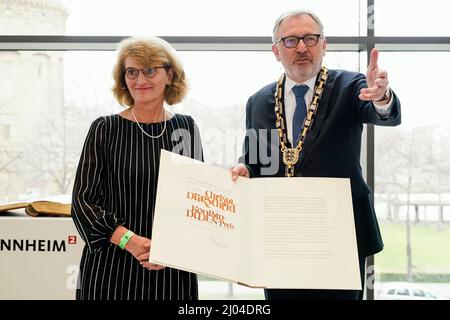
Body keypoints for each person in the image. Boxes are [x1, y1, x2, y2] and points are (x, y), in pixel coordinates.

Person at [230, 10, 401, 300]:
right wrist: (246, 170)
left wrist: (382, 97)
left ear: (324, 45)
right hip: (280, 237)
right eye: (290, 40)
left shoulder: (351, 86)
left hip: (339, 235)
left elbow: (381, 112)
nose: (301, 47)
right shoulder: (258, 102)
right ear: (275, 50)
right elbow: (255, 161)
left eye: (310, 38)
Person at [71, 36, 203, 300]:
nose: (140, 79)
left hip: (171, 269)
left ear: (170, 75)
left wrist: (170, 249)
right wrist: (128, 240)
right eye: (132, 71)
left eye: (150, 70)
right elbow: (83, 202)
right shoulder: (105, 128)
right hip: (111, 268)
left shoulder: (186, 127)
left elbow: (195, 199)